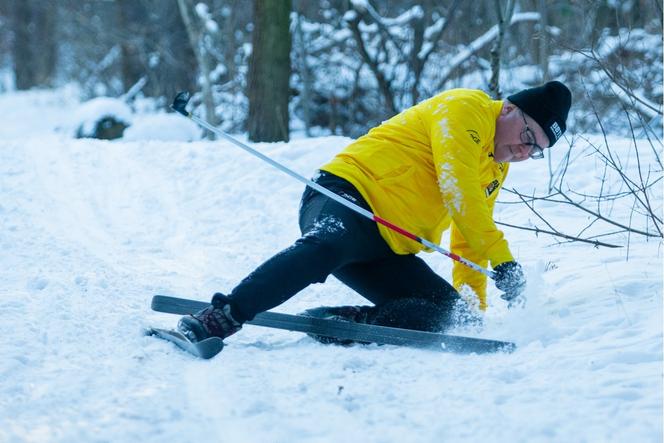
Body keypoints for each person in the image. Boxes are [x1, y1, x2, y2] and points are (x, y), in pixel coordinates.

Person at [177, 81, 572, 344]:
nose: (524, 153)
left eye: (535, 151)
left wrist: (475, 313)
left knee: (450, 314)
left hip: (387, 244)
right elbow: (460, 193)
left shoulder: (496, 167)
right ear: (508, 110)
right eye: (526, 138)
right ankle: (222, 315)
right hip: (347, 197)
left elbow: (470, 235)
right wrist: (504, 262)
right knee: (327, 245)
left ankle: (351, 321)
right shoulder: (465, 109)